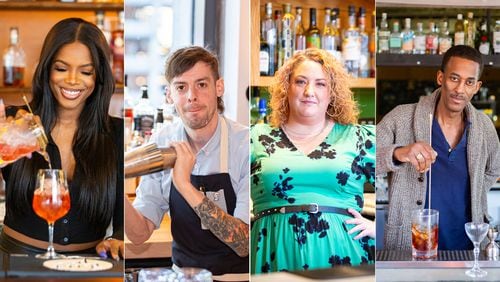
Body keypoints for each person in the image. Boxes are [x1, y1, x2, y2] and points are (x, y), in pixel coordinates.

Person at [0, 18, 124, 259]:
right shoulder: (15, 123)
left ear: (98, 77)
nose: (72, 80)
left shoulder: (116, 133)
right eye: (61, 68)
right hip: (16, 260)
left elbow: (123, 218)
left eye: (86, 71)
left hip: (91, 264)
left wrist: (117, 238)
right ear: (46, 70)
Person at [125, 46, 249, 280]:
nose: (192, 95)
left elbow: (244, 242)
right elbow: (139, 234)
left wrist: (184, 184)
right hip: (183, 277)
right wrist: (116, 192)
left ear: (218, 87)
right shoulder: (162, 142)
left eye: (201, 84)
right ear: (169, 95)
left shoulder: (245, 144)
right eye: (181, 87)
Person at [251, 48, 375, 273]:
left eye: (320, 84)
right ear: (286, 88)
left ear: (332, 92)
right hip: (274, 251)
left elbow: (408, 183)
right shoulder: (256, 136)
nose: (309, 91)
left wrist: (380, 228)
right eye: (300, 82)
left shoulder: (359, 137)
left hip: (344, 253)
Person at [377, 45, 500, 250]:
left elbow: (494, 168)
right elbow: (362, 158)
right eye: (454, 78)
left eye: (469, 82)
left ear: (476, 87)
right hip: (411, 245)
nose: (460, 89)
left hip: (469, 246)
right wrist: (399, 153)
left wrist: (476, 190)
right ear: (440, 78)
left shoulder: (484, 126)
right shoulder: (401, 117)